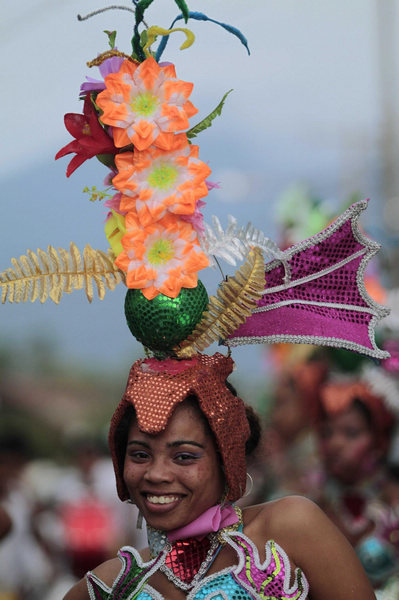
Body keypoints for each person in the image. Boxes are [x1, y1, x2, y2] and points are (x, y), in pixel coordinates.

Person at [64, 352, 376, 600]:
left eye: (184, 456)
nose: (156, 474)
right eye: (140, 455)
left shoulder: (289, 528)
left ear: (228, 461)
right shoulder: (107, 586)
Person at [315, 377, 399, 593]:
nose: (334, 443)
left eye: (351, 433)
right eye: (327, 433)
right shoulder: (308, 505)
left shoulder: (394, 503)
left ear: (380, 441)